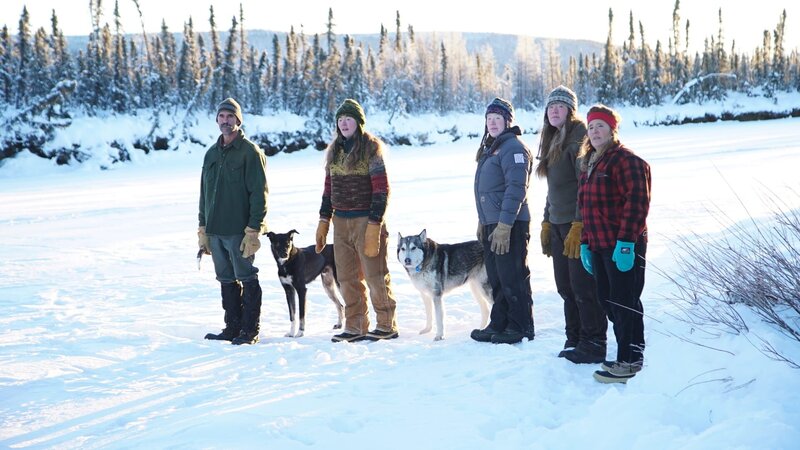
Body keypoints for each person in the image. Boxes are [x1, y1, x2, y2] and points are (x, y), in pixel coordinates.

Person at [314, 98, 398, 343]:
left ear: (359, 122)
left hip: (366, 221)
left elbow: (382, 190)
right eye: (340, 119)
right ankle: (356, 324)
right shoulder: (335, 152)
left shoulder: (371, 149)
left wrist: (375, 224)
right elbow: (328, 190)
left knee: (375, 274)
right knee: (347, 277)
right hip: (341, 222)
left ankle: (386, 323)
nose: (344, 123)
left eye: (348, 118)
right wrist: (323, 221)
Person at [577, 104, 651, 383]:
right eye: (591, 126)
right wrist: (585, 242)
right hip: (598, 245)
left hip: (622, 245)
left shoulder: (626, 160)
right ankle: (629, 355)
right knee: (609, 302)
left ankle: (630, 360)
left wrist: (626, 243)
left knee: (625, 302)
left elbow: (637, 204)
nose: (595, 131)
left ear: (612, 130)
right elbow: (584, 207)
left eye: (600, 126)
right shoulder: (590, 163)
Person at [536, 86, 608, 364]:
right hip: (558, 223)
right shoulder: (553, 138)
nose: (554, 110)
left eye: (561, 106)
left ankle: (594, 342)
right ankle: (575, 337)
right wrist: (546, 220)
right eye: (551, 106)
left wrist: (579, 224)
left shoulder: (579, 136)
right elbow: (554, 189)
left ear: (570, 111)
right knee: (565, 287)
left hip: (577, 225)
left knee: (583, 287)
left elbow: (584, 184)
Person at [199, 97, 268, 345]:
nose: (225, 121)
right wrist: (202, 227)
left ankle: (250, 330)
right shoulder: (211, 154)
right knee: (225, 278)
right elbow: (203, 194)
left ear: (238, 120)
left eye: (230, 117)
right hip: (215, 231)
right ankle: (232, 327)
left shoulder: (250, 152)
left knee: (247, 276)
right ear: (217, 119)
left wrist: (253, 230)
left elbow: (259, 194)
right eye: (222, 116)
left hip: (239, 231)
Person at [470, 97, 535, 345]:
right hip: (491, 224)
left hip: (510, 224)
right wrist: (484, 222)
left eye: (498, 119)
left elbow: (516, 188)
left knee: (512, 275)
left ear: (508, 122)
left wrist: (505, 225)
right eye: (489, 119)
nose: (493, 123)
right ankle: (500, 321)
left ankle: (520, 325)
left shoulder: (514, 148)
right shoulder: (492, 147)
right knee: (496, 277)